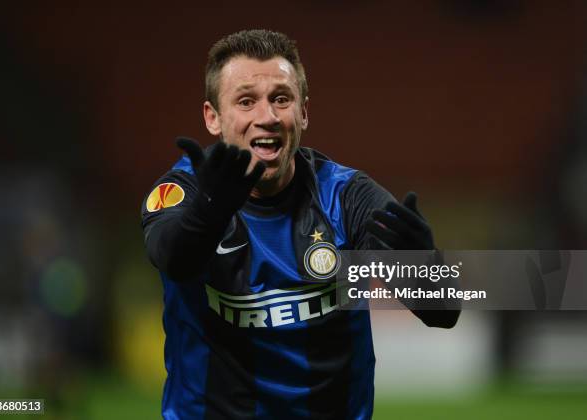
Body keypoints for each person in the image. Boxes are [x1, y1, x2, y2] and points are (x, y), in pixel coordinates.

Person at [141, 29, 459, 420]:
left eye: (281, 99)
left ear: (303, 112)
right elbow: (171, 257)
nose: (267, 117)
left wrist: (427, 269)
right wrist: (209, 211)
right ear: (213, 117)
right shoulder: (185, 191)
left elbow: (443, 313)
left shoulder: (347, 197)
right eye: (246, 101)